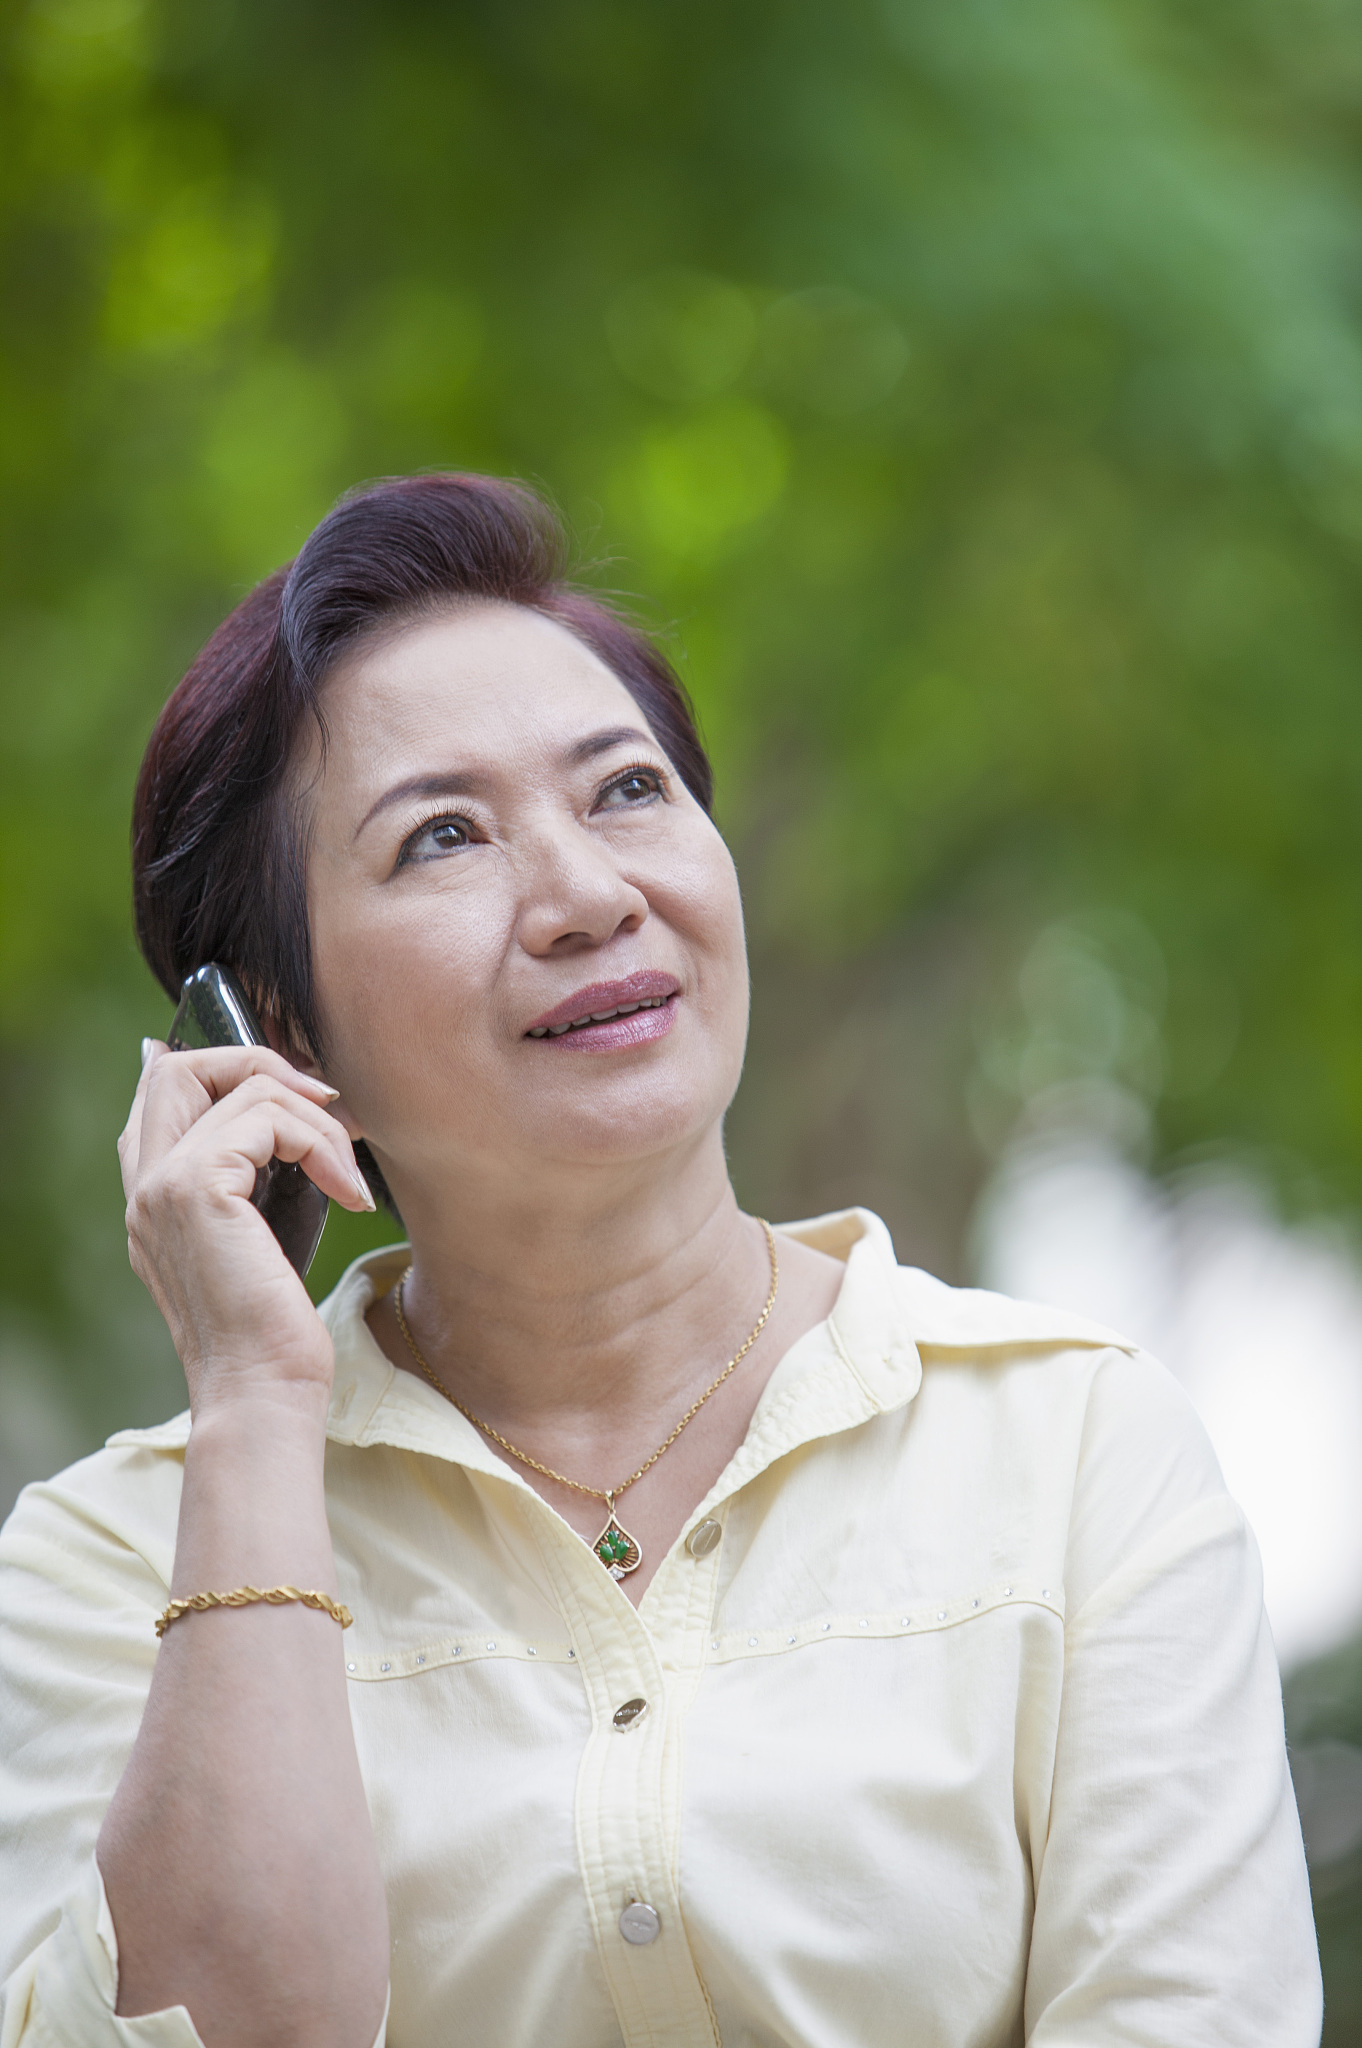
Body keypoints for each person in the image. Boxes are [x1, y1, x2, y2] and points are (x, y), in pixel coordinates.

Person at [0, 474, 1322, 2048]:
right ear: (275, 1035)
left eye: (624, 791)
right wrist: (255, 1405)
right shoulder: (112, 1564)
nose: (585, 894)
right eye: (440, 838)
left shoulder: (1075, 1452)